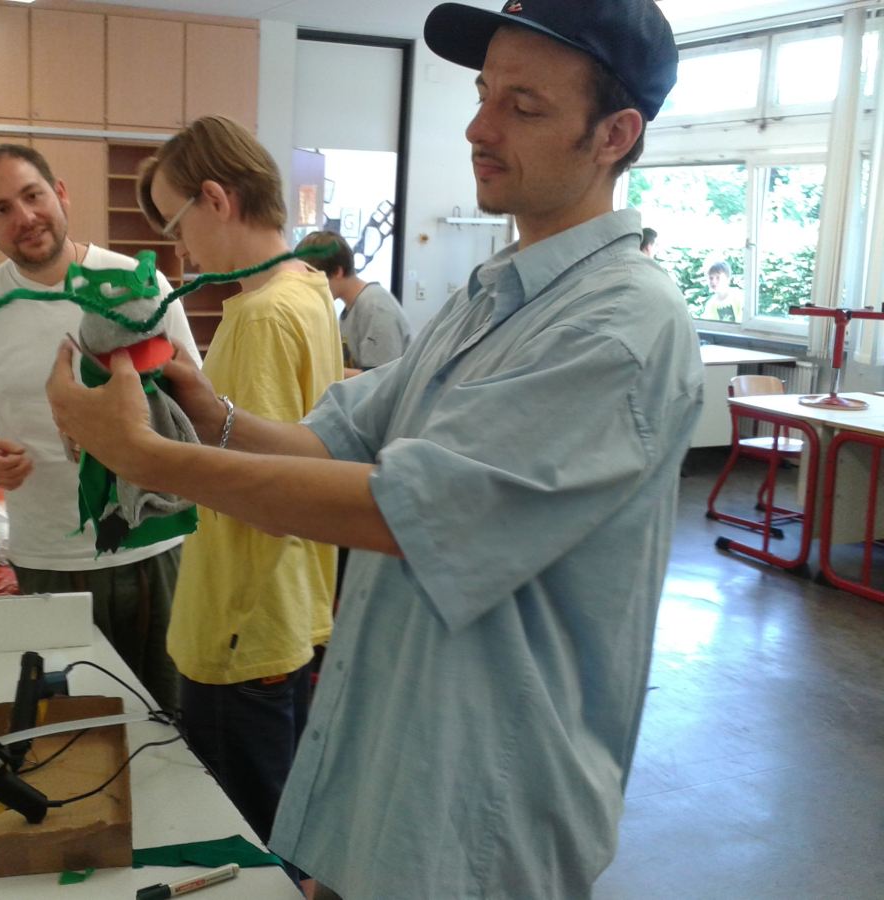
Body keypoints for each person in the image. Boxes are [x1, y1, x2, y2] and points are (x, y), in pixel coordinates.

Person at [46, 0, 703, 895]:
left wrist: (146, 458)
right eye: (483, 94)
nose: (478, 127)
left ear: (615, 136)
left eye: (524, 106)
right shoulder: (490, 299)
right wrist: (201, 406)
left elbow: (402, 511)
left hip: (484, 811)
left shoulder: (620, 326)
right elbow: (335, 440)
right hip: (401, 777)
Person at [131, 116, 343, 847]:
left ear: (217, 199)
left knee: (247, 840)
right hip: (289, 607)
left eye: (177, 224)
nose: (179, 250)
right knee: (283, 825)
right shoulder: (309, 288)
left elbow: (261, 493)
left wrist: (140, 448)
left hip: (240, 622)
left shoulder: (259, 317)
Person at [0, 144, 200, 711]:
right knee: (69, 725)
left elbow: (192, 399)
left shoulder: (138, 283)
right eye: (2, 209)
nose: (25, 216)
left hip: (154, 542)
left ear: (60, 194)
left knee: (171, 720)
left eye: (33, 195)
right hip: (47, 558)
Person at [295, 230, 411, 370]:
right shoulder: (350, 310)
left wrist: (324, 372)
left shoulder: (375, 306)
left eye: (315, 280)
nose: (311, 289)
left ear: (337, 272)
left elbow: (382, 377)